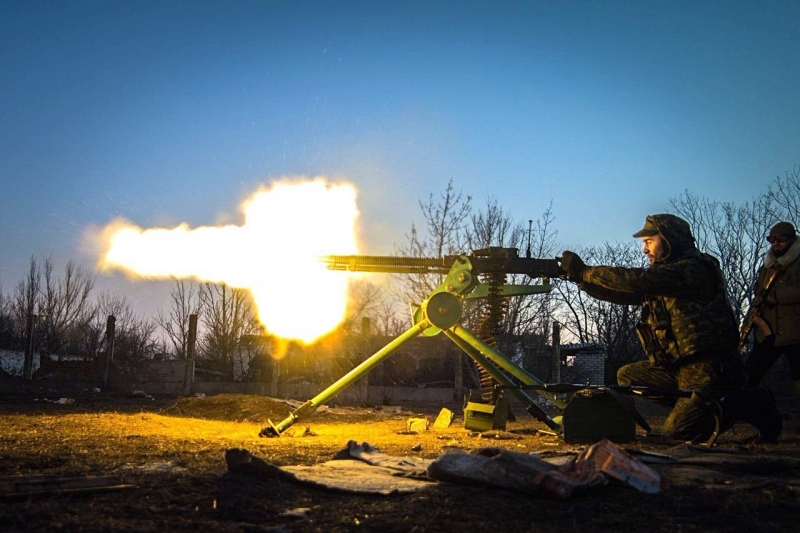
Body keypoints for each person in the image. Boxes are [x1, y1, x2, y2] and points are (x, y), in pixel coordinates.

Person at [559, 213, 782, 442]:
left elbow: (638, 280)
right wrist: (580, 280)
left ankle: (747, 403)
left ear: (670, 240)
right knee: (627, 375)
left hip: (711, 370)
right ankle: (697, 405)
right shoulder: (666, 278)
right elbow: (626, 292)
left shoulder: (695, 269)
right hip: (678, 368)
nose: (645, 250)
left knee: (680, 434)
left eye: (649, 242)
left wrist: (585, 271)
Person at [743, 221, 800, 395]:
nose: (776, 243)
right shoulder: (767, 267)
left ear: (792, 239)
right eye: (772, 239)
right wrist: (748, 324)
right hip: (768, 333)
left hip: (795, 332)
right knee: (748, 377)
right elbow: (759, 295)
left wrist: (776, 296)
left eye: (781, 239)